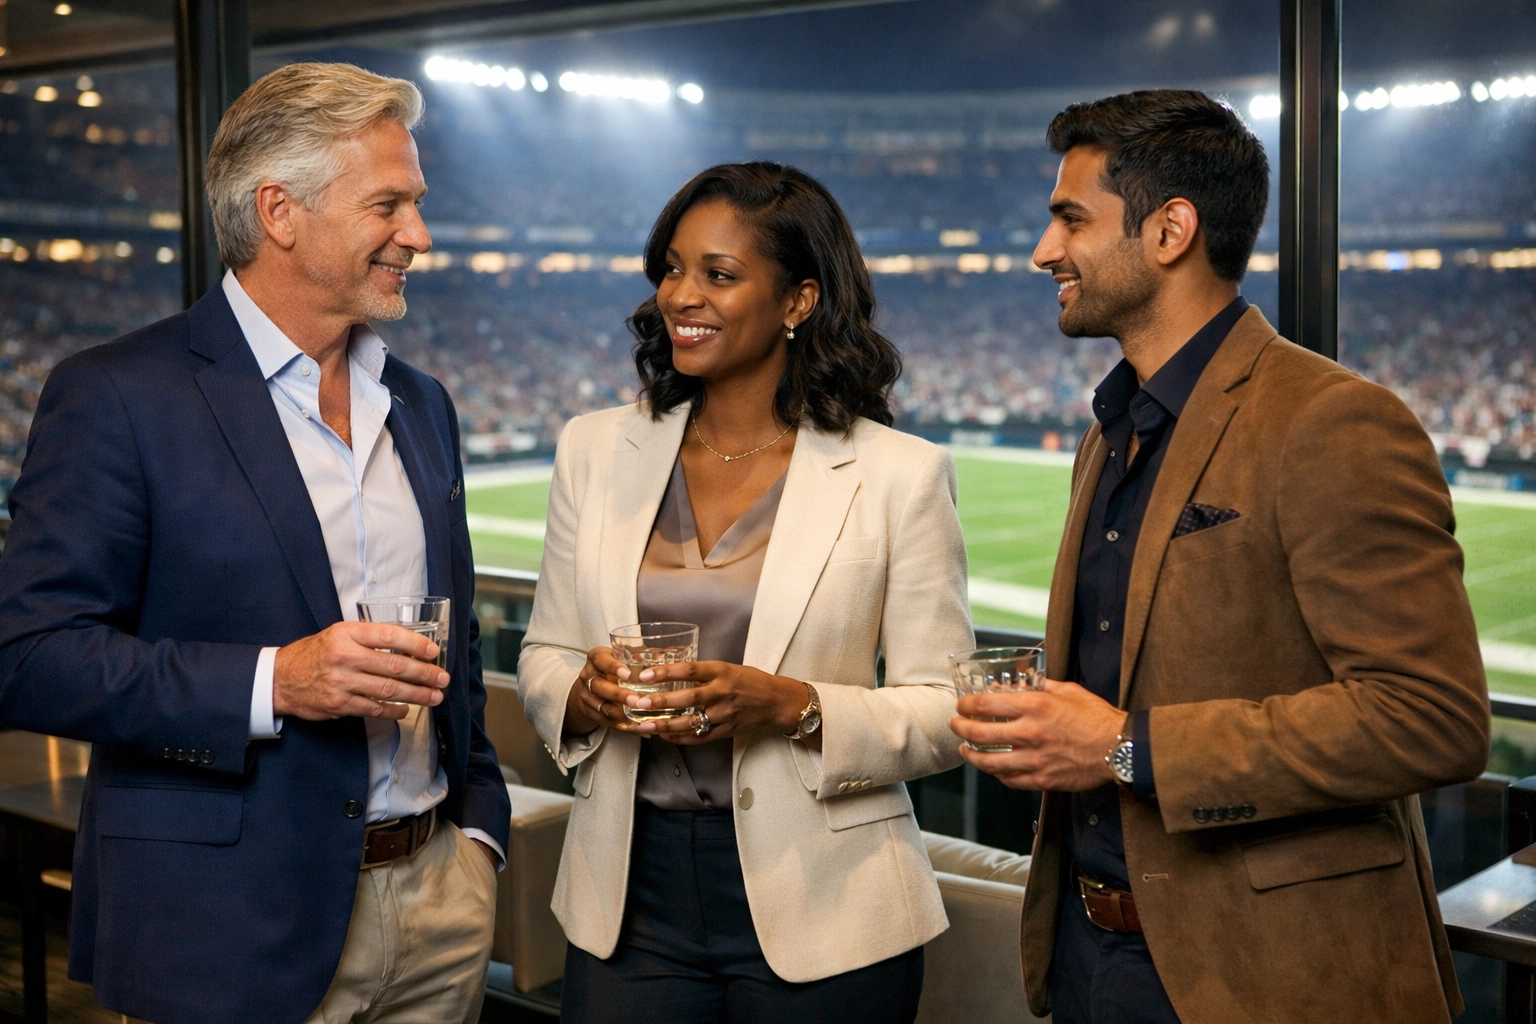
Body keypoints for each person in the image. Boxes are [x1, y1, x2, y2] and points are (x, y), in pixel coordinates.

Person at [949, 90, 1489, 1024]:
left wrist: (1120, 746)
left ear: (1170, 231)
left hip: (1266, 973)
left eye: (1071, 219)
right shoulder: (1109, 431)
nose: (1043, 251)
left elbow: (1432, 719)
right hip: (1088, 950)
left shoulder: (1331, 420)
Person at [0, 63, 510, 1024]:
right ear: (280, 211)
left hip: (438, 906)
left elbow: (461, 641)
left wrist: (476, 835)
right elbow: (27, 659)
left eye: (417, 203)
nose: (419, 234)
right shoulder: (117, 394)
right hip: (226, 926)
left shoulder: (422, 402)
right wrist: (277, 682)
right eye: (388, 205)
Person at [517, 161, 972, 1023]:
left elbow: (948, 710)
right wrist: (583, 693)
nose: (681, 296)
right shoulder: (592, 448)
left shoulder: (900, 474)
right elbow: (545, 650)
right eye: (672, 268)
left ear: (799, 301)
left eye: (719, 274)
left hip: (830, 898)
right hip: (627, 894)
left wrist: (792, 706)